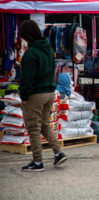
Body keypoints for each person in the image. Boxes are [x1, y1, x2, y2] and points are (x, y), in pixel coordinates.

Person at [19, 20, 67, 172]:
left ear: (26, 35)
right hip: (50, 93)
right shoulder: (48, 48)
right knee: (45, 124)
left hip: (35, 94)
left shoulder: (31, 53)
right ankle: (58, 153)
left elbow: (27, 79)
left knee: (33, 128)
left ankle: (37, 162)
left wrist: (24, 96)